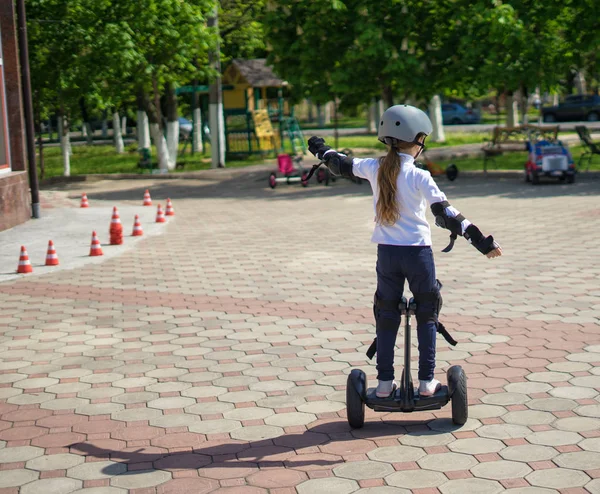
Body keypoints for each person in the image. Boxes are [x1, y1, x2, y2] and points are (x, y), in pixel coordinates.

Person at [307, 105, 502, 398]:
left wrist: (321, 149)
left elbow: (340, 163)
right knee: (427, 312)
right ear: (417, 140)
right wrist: (482, 243)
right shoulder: (419, 176)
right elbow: (447, 214)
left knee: (386, 313)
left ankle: (384, 385)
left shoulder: (373, 167)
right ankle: (426, 383)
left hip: (387, 254)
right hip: (418, 255)